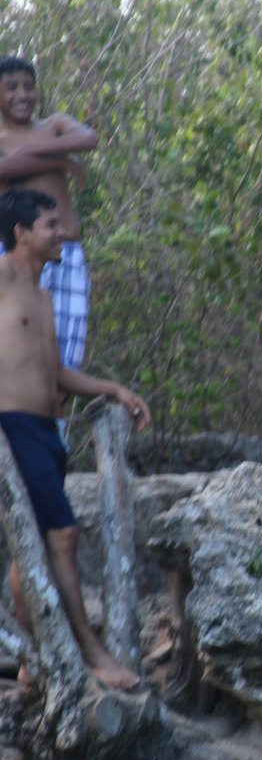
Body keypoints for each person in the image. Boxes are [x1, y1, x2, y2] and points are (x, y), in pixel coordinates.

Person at [0, 188, 150, 690]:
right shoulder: (1, 277)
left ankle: (32, 663)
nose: (61, 232)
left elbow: (56, 370)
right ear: (21, 233)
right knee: (62, 536)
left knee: (34, 546)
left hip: (45, 430)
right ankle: (91, 652)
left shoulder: (41, 295)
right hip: (12, 426)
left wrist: (113, 388)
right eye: (49, 224)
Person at [0, 56, 96, 374]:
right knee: (14, 339)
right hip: (17, 253)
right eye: (11, 87)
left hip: (66, 250)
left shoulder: (53, 125)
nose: (22, 95)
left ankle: (56, 422)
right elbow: (6, 169)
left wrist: (37, 151)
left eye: (29, 87)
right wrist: (59, 160)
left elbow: (88, 138)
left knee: (67, 342)